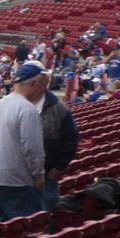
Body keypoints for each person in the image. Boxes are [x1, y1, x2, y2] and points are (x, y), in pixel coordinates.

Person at [0, 62, 48, 223]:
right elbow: (32, 149)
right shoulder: (27, 110)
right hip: (17, 182)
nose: (44, 90)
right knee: (27, 233)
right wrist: (39, 176)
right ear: (33, 83)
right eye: (42, 84)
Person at [39, 78, 80, 208]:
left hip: (48, 171)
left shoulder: (59, 108)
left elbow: (72, 140)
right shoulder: (18, 104)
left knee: (46, 211)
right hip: (24, 174)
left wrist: (59, 167)